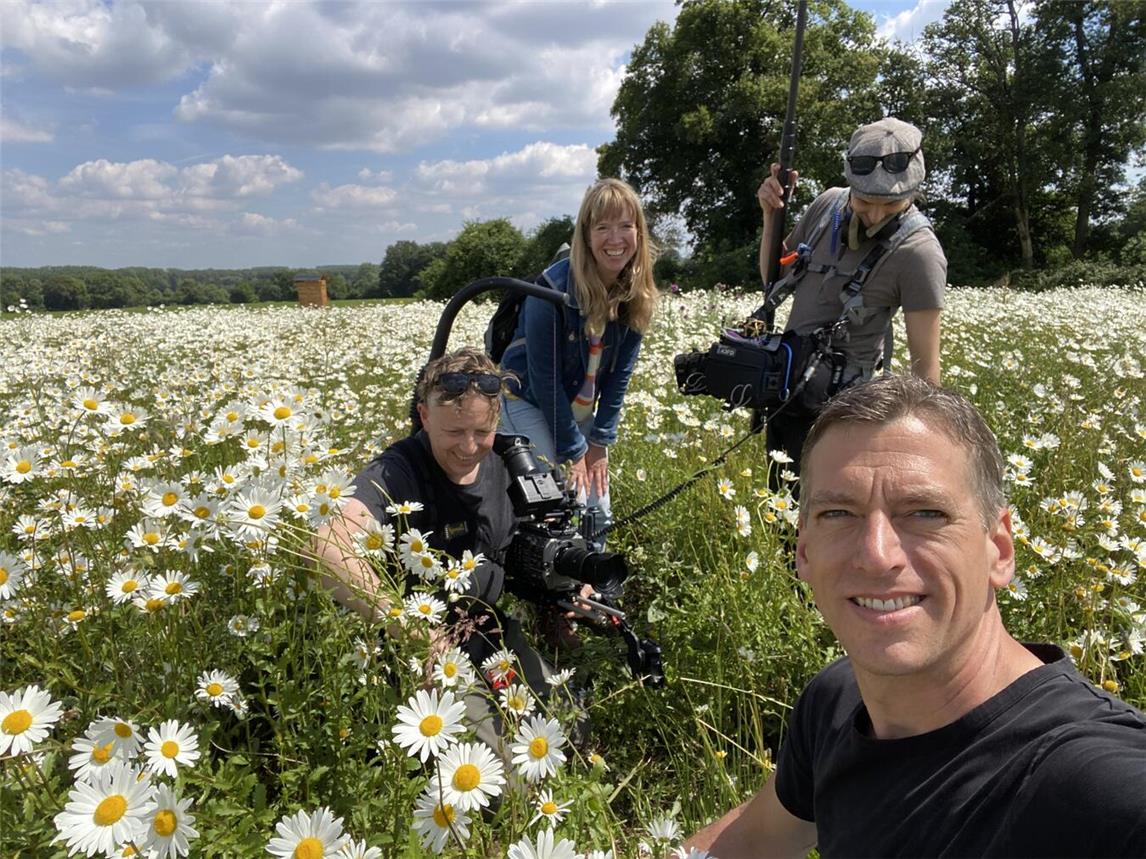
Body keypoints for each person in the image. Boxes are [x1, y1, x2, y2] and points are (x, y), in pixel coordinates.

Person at [685, 375, 1146, 858]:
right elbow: (750, 841)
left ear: (1000, 549)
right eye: (839, 514)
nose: (877, 555)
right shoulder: (840, 702)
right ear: (802, 550)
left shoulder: (1091, 786)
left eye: (925, 513)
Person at [312, 348, 550, 710]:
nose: (469, 447)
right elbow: (327, 545)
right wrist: (414, 631)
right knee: (489, 753)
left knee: (559, 719)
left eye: (482, 431)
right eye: (454, 431)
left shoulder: (509, 462)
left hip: (486, 629)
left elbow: (543, 533)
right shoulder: (398, 471)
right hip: (415, 642)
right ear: (424, 416)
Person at [756, 117, 946, 473]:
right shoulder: (828, 206)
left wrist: (917, 455)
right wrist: (771, 217)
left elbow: (926, 373)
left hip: (844, 416)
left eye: (890, 205)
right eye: (864, 201)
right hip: (785, 393)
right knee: (783, 515)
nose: (875, 215)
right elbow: (774, 277)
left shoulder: (920, 252)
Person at [499, 177, 658, 547]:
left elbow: (620, 375)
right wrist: (575, 452)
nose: (615, 239)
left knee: (597, 507)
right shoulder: (551, 291)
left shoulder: (636, 292)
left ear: (639, 232)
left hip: (577, 411)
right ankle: (551, 583)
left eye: (625, 226)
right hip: (529, 401)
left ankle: (594, 588)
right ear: (586, 235)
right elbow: (543, 379)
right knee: (565, 498)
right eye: (603, 227)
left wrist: (600, 441)